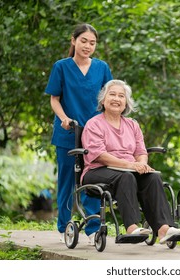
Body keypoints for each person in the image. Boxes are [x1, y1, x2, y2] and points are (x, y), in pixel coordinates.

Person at [81, 79, 180, 244]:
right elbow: (100, 155)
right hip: (98, 171)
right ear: (103, 100)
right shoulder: (94, 124)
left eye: (121, 96)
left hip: (128, 170)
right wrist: (130, 165)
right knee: (126, 177)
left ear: (126, 104)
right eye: (112, 94)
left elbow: (140, 152)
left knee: (152, 177)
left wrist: (142, 164)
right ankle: (132, 228)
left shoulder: (132, 125)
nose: (117, 99)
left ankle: (164, 229)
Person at [44, 23, 113, 244]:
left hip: (94, 135)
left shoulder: (102, 68)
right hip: (68, 133)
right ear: (73, 40)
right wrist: (64, 118)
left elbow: (109, 98)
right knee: (67, 180)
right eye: (83, 41)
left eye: (92, 43)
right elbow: (54, 99)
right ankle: (65, 225)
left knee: (91, 178)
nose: (88, 46)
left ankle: (93, 226)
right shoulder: (61, 67)